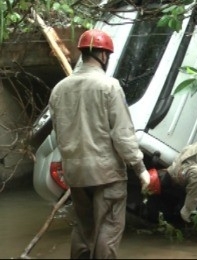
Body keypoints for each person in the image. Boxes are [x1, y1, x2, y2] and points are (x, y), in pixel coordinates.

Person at [49, 29, 150, 259]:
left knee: (84, 228)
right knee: (109, 228)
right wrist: (140, 169)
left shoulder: (58, 89)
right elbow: (123, 135)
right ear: (104, 56)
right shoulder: (109, 86)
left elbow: (59, 134)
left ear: (83, 53)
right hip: (107, 174)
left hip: (75, 174)